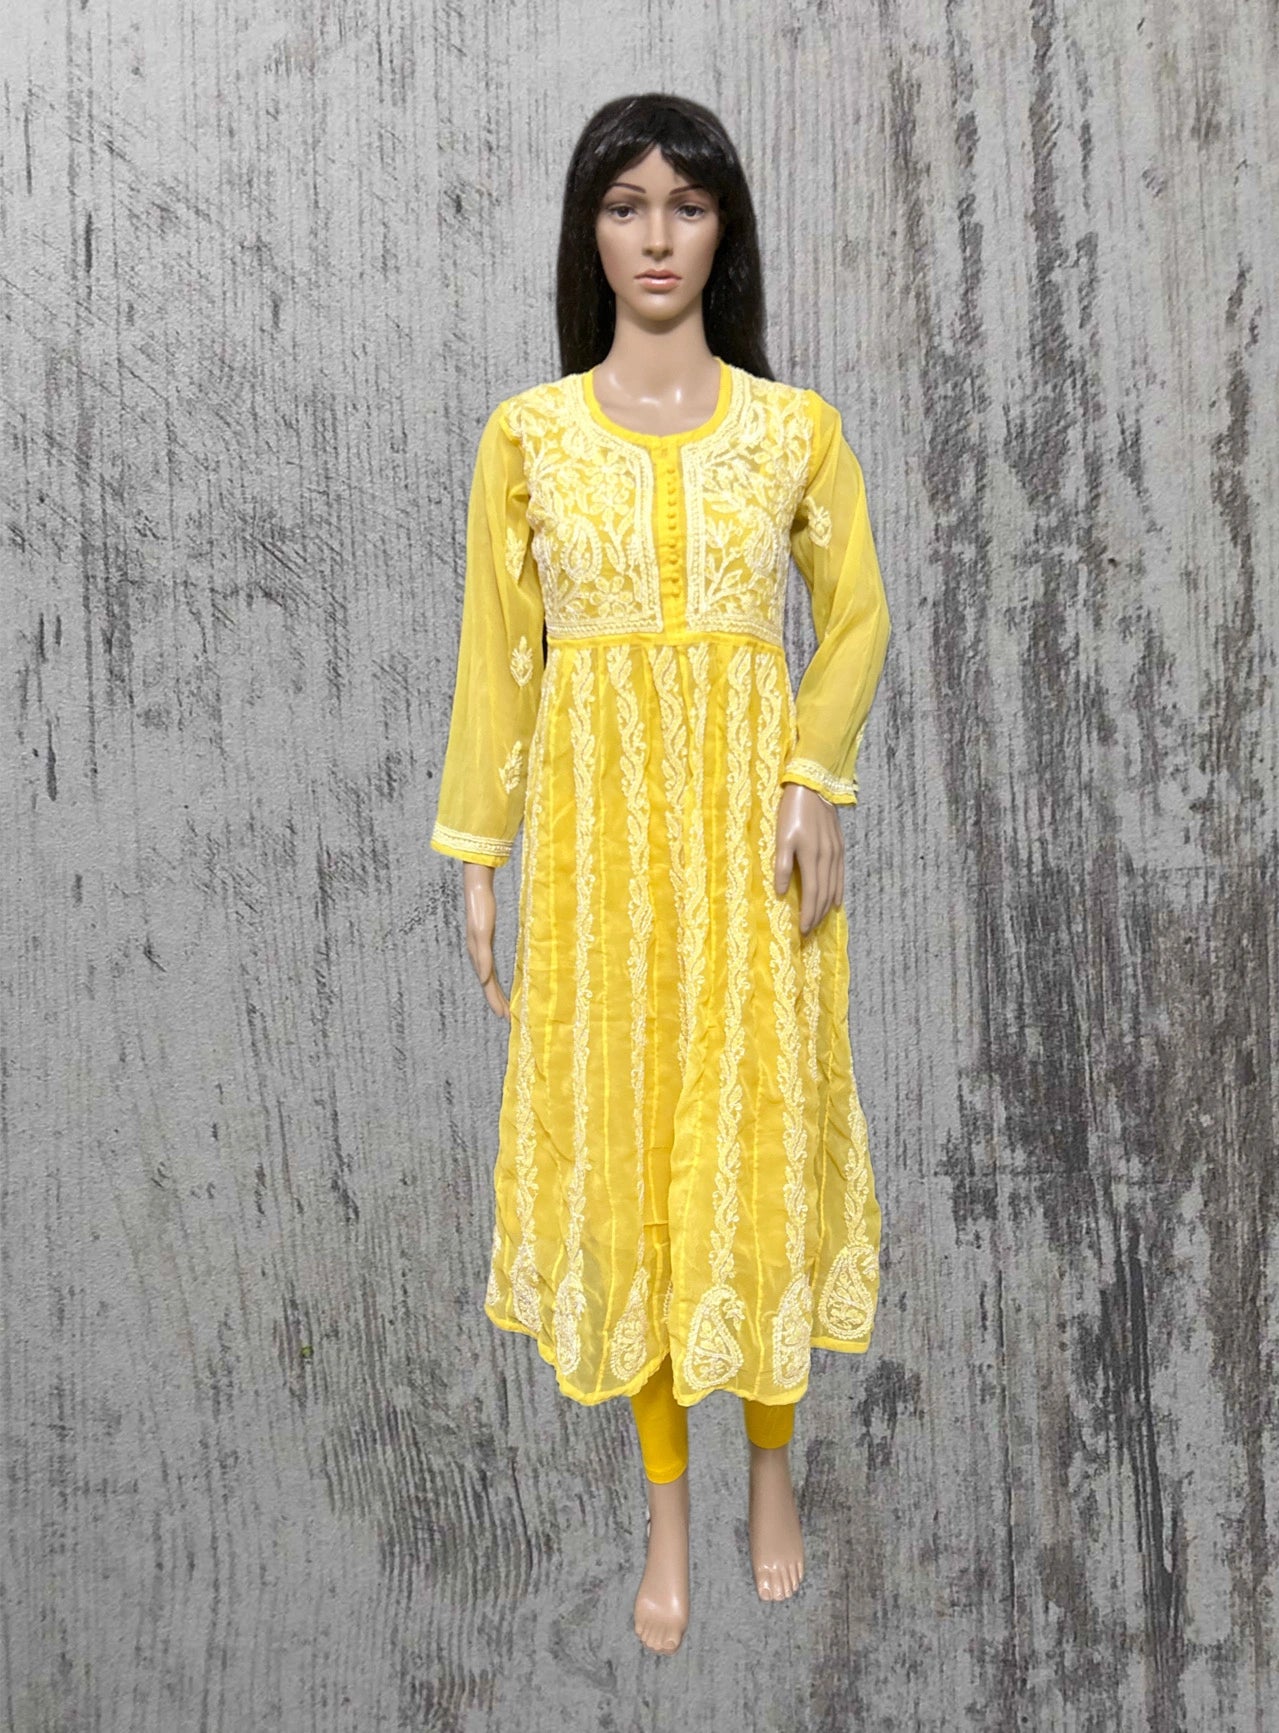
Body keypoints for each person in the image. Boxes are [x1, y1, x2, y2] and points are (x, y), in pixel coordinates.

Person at [429, 92, 892, 1655]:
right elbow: (500, 658)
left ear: (724, 230)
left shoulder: (792, 427)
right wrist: (480, 849)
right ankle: (669, 1505)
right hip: (600, 853)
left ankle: (770, 1457)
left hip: (752, 848)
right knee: (627, 1142)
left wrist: (813, 775)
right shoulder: (529, 438)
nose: (655, 236)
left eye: (686, 206)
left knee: (757, 1131)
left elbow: (856, 613)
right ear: (589, 229)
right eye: (625, 205)